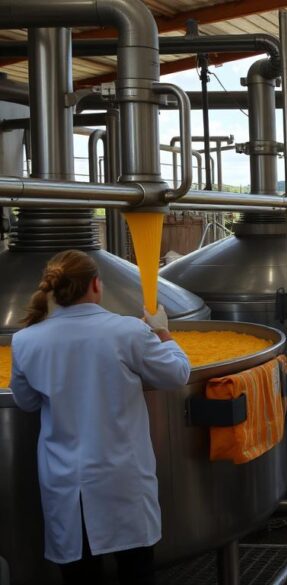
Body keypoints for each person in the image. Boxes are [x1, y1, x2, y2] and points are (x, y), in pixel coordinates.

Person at [9, 250, 191, 585]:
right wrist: (162, 331)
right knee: (135, 570)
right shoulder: (126, 332)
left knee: (80, 576)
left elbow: (26, 401)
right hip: (121, 476)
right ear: (95, 284)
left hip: (65, 481)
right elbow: (177, 373)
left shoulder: (25, 341)